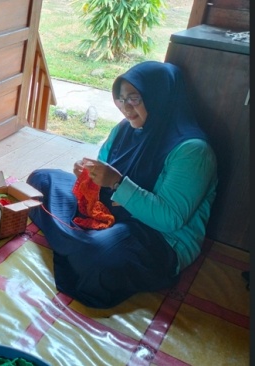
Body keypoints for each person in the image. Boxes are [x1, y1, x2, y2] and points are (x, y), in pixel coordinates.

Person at [26, 61, 217, 308]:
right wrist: (88, 174)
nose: (126, 108)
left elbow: (169, 219)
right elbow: (103, 169)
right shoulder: (126, 128)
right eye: (121, 99)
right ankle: (79, 243)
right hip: (111, 211)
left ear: (158, 97)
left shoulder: (192, 151)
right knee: (40, 181)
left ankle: (77, 242)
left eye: (134, 98)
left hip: (157, 237)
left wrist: (116, 182)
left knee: (99, 259)